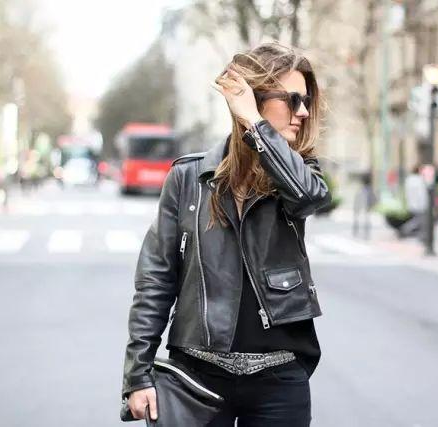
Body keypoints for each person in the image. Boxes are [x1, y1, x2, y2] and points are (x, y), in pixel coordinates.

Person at [122, 43, 331, 426]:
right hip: (196, 378)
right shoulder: (188, 178)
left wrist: (255, 125)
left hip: (278, 379)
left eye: (306, 101)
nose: (303, 111)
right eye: (293, 99)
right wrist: (138, 373)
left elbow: (309, 197)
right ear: (252, 98)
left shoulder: (298, 174)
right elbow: (156, 279)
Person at [399, 164, 428, 239]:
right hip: (419, 204)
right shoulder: (419, 180)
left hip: (412, 203)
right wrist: (424, 203)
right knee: (419, 220)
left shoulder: (409, 179)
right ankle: (405, 229)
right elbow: (421, 194)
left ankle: (420, 235)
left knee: (419, 220)